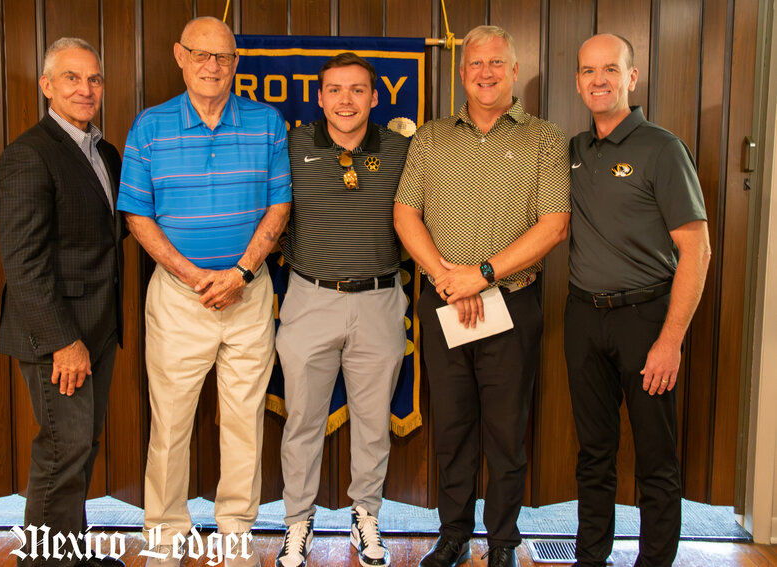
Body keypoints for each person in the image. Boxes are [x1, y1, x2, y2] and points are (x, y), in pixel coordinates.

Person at [116, 16, 291, 567]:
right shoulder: (149, 127)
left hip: (249, 292)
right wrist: (196, 278)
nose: (212, 66)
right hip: (177, 297)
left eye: (223, 57)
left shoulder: (267, 124)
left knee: (244, 421)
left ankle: (235, 536)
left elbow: (279, 206)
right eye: (201, 55)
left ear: (236, 63)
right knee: (169, 422)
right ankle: (166, 538)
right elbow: (138, 216)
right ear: (179, 56)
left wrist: (239, 272)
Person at [394, 25, 570, 567]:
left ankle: (503, 543)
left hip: (512, 304)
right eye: (475, 64)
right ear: (461, 72)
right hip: (444, 302)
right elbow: (406, 213)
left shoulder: (544, 138)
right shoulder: (430, 137)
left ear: (515, 71)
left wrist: (484, 274)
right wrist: (449, 278)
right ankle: (453, 535)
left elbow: (554, 224)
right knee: (451, 427)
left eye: (497, 63)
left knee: (505, 431)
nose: (486, 73)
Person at [566, 34, 710, 567]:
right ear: (578, 81)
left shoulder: (662, 148)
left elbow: (697, 248)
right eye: (587, 71)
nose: (597, 79)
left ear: (632, 77)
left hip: (647, 320)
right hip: (583, 317)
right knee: (594, 456)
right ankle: (591, 558)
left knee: (655, 459)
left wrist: (670, 341)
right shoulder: (575, 152)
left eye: (610, 69)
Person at [274, 53, 410, 567]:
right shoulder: (291, 146)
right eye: (335, 90)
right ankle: (297, 523)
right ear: (320, 96)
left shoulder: (402, 150)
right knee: (302, 420)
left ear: (375, 98)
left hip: (378, 299)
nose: (345, 100)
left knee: (372, 422)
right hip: (309, 298)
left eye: (357, 90)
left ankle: (365, 517)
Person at [0, 37, 124, 567]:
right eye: (71, 78)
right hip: (57, 336)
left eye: (93, 79)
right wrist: (62, 342)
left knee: (80, 449)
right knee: (61, 452)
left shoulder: (104, 153)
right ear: (47, 85)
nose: (85, 89)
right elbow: (23, 261)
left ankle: (68, 554)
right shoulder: (29, 154)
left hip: (97, 327)